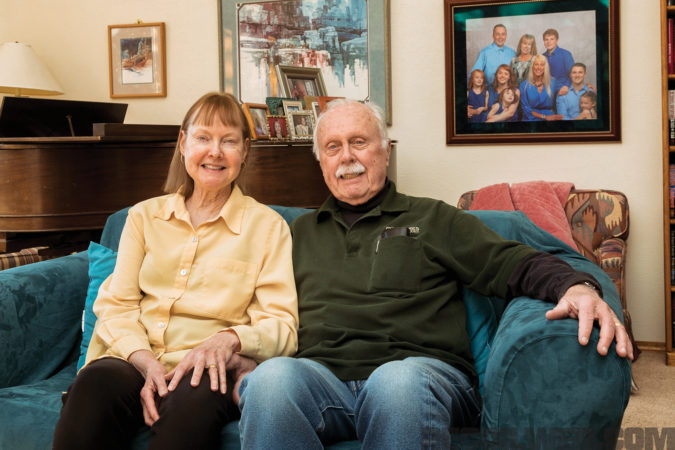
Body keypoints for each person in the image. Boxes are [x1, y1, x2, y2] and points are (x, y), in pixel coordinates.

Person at [238, 99, 633, 449]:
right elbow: (245, 299)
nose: (346, 157)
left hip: (422, 375)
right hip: (323, 380)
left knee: (395, 383)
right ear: (321, 161)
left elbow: (512, 261)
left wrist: (576, 286)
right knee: (272, 381)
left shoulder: (431, 217)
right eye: (332, 147)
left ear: (385, 150)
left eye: (359, 142)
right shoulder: (295, 232)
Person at [52, 92, 299, 450]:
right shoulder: (143, 217)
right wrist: (147, 365)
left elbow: (282, 325)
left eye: (228, 141)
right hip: (133, 357)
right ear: (183, 143)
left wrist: (227, 340)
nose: (215, 151)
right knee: (93, 385)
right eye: (203, 138)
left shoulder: (268, 227)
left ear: (244, 151)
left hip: (205, 369)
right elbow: (116, 306)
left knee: (192, 402)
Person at [519, 54, 563, 121]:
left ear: (545, 67)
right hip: (530, 119)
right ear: (532, 66)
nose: (539, 67)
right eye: (536, 64)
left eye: (542, 65)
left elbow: (565, 89)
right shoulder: (524, 85)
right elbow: (525, 109)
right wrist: (544, 117)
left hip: (550, 118)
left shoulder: (553, 82)